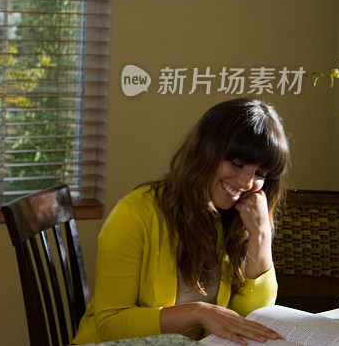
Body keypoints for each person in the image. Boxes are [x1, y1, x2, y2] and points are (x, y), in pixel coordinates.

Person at [73, 98, 290, 345]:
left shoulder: (234, 218)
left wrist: (261, 235)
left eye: (260, 174)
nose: (246, 183)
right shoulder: (134, 214)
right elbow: (111, 324)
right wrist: (199, 312)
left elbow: (252, 321)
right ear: (205, 152)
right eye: (238, 164)